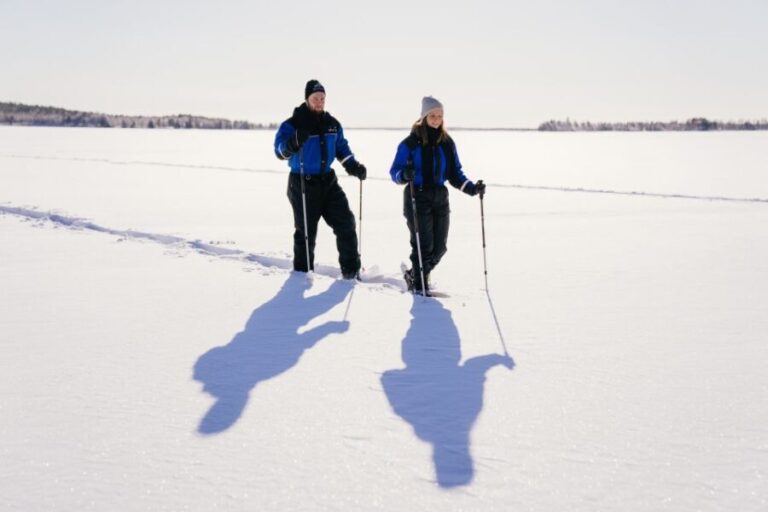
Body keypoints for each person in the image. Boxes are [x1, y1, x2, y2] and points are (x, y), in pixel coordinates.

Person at [389, 96, 486, 294]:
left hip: (440, 197)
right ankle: (420, 290)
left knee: (440, 248)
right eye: (432, 115)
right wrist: (404, 175)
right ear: (423, 116)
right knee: (423, 246)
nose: (436, 119)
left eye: (439, 116)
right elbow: (395, 172)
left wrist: (472, 188)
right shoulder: (410, 143)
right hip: (417, 197)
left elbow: (455, 173)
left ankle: (413, 275)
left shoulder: (447, 143)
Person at [274, 79, 367, 279]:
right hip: (302, 183)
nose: (319, 102)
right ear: (307, 99)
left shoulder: (332, 124)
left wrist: (353, 165)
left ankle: (351, 272)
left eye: (322, 98)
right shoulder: (292, 125)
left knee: (346, 223)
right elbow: (280, 151)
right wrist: (293, 143)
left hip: (328, 181)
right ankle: (302, 275)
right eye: (315, 98)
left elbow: (341, 148)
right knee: (306, 233)